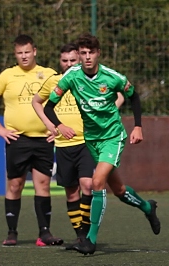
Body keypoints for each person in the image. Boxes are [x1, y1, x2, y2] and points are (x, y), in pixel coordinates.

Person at [32, 32, 160, 255]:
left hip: (113, 137)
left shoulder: (112, 77)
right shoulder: (71, 76)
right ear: (79, 55)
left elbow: (134, 96)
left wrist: (138, 126)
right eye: (83, 53)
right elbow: (48, 107)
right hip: (92, 139)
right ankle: (148, 207)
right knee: (119, 190)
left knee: (97, 182)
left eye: (91, 52)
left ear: (98, 53)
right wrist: (59, 125)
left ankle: (89, 240)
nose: (87, 57)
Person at [32, 43, 124, 250]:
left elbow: (119, 95)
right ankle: (80, 235)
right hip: (63, 145)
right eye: (65, 60)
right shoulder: (55, 82)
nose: (69, 64)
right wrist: (52, 125)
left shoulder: (88, 78)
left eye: (73, 60)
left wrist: (105, 115)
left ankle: (88, 233)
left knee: (88, 185)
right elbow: (37, 102)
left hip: (87, 141)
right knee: (71, 193)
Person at [0, 34, 63, 247]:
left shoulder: (49, 74)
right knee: (15, 185)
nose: (24, 56)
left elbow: (63, 101)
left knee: (43, 184)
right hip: (18, 139)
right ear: (15, 54)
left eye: (27, 52)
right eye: (19, 53)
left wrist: (57, 127)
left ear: (35, 51)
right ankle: (12, 232)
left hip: (43, 139)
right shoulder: (7, 75)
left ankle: (44, 233)